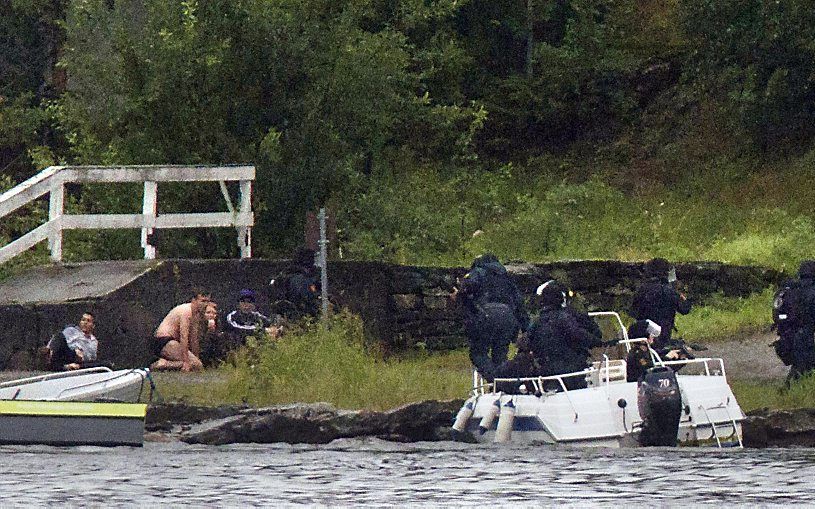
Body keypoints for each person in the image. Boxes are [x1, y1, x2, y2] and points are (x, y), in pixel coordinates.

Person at [453, 253, 529, 382]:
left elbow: (468, 288)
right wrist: (527, 328)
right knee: (500, 356)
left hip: (487, 315)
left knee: (478, 353)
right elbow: (519, 304)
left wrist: (459, 295)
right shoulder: (506, 278)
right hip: (508, 317)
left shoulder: (478, 272)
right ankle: (505, 384)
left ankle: (496, 381)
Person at [525, 280, 608, 390]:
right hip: (570, 370)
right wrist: (598, 342)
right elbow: (578, 334)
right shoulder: (564, 317)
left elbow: (528, 343)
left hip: (547, 371)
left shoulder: (537, 321)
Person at [631, 258, 692, 351]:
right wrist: (683, 298)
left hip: (642, 336)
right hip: (663, 337)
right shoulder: (669, 291)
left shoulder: (642, 289)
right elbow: (685, 309)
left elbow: (633, 311)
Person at [772, 260, 815, 384]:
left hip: (786, 331)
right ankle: (787, 391)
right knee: (803, 365)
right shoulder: (811, 290)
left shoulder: (789, 288)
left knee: (802, 364)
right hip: (804, 333)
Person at [150, 288, 208, 372]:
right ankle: (162, 364)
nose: (205, 304)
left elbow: (193, 338)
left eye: (207, 301)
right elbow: (184, 337)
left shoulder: (196, 314)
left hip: (173, 341)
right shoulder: (186, 311)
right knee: (195, 364)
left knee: (197, 364)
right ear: (194, 300)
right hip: (164, 341)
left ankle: (168, 363)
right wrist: (186, 361)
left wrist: (196, 357)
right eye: (202, 301)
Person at [270, 247, 321, 320]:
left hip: (284, 314)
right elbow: (308, 297)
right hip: (301, 316)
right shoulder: (302, 279)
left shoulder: (284, 274)